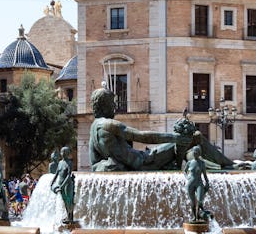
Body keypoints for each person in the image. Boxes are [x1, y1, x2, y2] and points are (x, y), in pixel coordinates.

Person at [88, 86, 233, 171]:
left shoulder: (94, 128)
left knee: (188, 146)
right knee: (195, 137)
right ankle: (230, 166)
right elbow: (143, 136)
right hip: (145, 161)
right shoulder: (109, 124)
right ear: (105, 105)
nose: (115, 106)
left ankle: (210, 166)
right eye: (112, 103)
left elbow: (94, 162)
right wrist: (175, 138)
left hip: (138, 162)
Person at [183, 145, 209, 223]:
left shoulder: (202, 163)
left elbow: (204, 175)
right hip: (190, 184)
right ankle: (195, 217)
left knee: (200, 200)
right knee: (193, 202)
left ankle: (200, 214)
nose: (195, 153)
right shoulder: (189, 162)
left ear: (199, 153)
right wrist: (187, 177)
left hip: (199, 183)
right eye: (194, 152)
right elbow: (184, 171)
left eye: (196, 152)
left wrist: (207, 182)